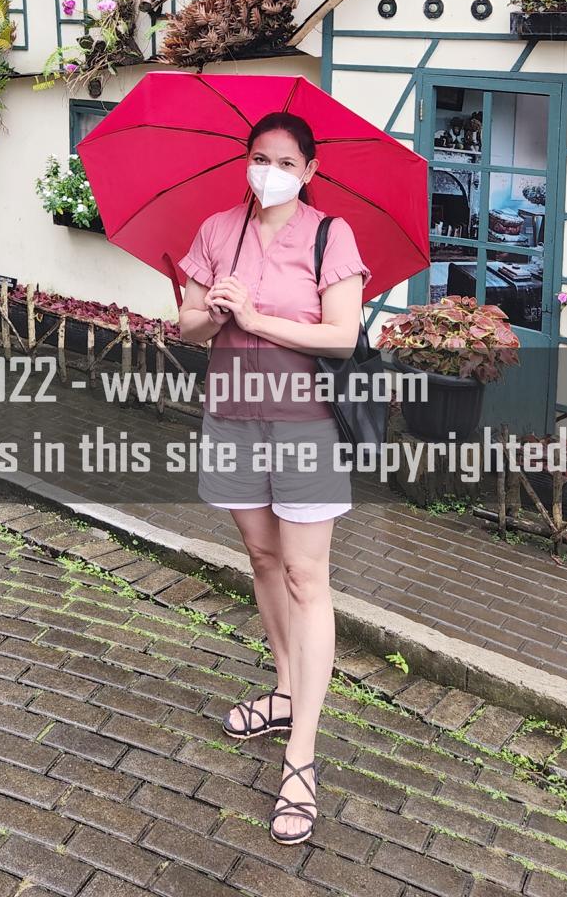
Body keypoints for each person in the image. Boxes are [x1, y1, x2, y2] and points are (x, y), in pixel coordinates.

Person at [177, 112, 369, 846]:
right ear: (246, 160)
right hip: (232, 419)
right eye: (261, 157)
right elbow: (187, 326)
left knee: (306, 577)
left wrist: (257, 319)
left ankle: (301, 757)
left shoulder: (330, 235)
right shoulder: (218, 230)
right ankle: (285, 689)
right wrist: (213, 312)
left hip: (305, 426)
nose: (272, 171)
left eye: (287, 162)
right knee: (262, 559)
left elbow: (342, 337)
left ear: (310, 171)